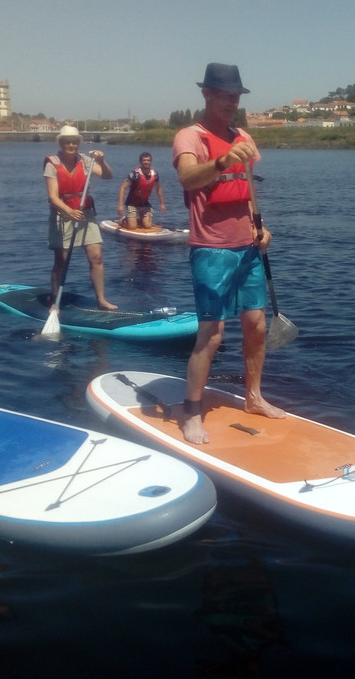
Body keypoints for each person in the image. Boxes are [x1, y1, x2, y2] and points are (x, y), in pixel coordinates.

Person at [172, 63, 286, 444]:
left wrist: (260, 225)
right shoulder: (191, 136)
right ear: (206, 94)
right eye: (224, 95)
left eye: (235, 96)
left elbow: (249, 188)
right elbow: (188, 178)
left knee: (255, 326)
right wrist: (223, 160)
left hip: (247, 247)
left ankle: (253, 397)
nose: (230, 102)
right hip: (211, 250)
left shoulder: (243, 136)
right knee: (212, 334)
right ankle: (191, 412)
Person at [44, 125, 117, 310]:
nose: (71, 145)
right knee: (61, 260)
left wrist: (102, 160)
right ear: (61, 143)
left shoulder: (86, 160)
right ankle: (55, 302)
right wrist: (69, 212)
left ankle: (101, 300)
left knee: (96, 257)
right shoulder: (52, 163)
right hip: (63, 215)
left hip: (85, 215)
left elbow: (108, 176)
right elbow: (52, 197)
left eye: (74, 142)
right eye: (67, 142)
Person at [117, 151, 166, 231]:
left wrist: (162, 204)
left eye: (148, 160)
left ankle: (138, 221)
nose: (146, 162)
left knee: (147, 226)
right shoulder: (135, 174)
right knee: (132, 227)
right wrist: (120, 205)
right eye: (144, 160)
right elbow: (123, 187)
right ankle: (124, 220)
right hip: (132, 204)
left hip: (144, 204)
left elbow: (158, 189)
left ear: (151, 161)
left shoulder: (155, 174)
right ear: (140, 161)